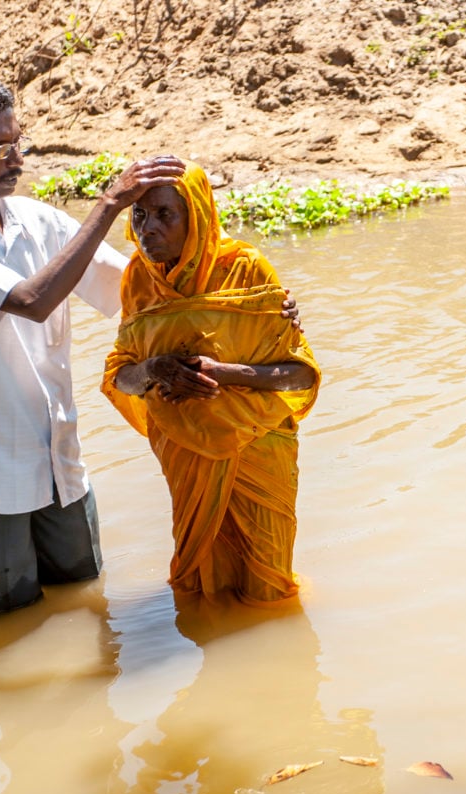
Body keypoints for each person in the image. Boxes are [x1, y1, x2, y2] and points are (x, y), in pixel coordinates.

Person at [0, 72, 193, 617]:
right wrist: (108, 204)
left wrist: (248, 297)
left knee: (87, 604)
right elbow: (33, 299)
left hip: (61, 459)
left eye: (18, 142)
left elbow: (138, 289)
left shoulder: (39, 222)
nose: (16, 159)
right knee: (7, 626)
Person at [102, 164, 321, 606]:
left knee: (270, 585)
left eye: (166, 215)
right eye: (140, 215)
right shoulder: (138, 279)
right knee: (202, 584)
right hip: (186, 450)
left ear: (197, 216)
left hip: (259, 445)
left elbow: (299, 374)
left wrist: (220, 373)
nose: (149, 229)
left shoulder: (246, 269)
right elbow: (120, 377)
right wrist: (155, 369)